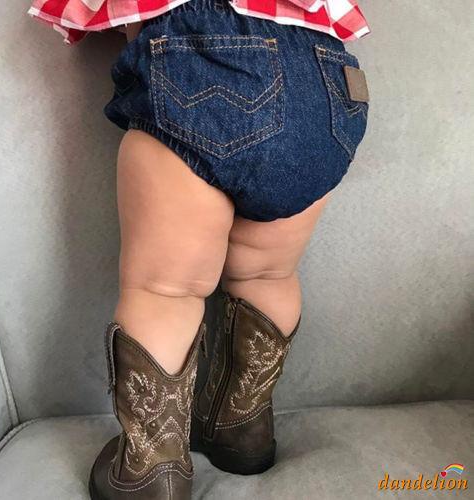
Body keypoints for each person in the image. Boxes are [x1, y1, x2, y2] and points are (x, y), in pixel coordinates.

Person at [28, 1, 371, 498]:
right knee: (268, 275)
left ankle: (151, 469)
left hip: (208, 62)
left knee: (166, 290)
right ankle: (243, 431)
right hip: (328, 91)